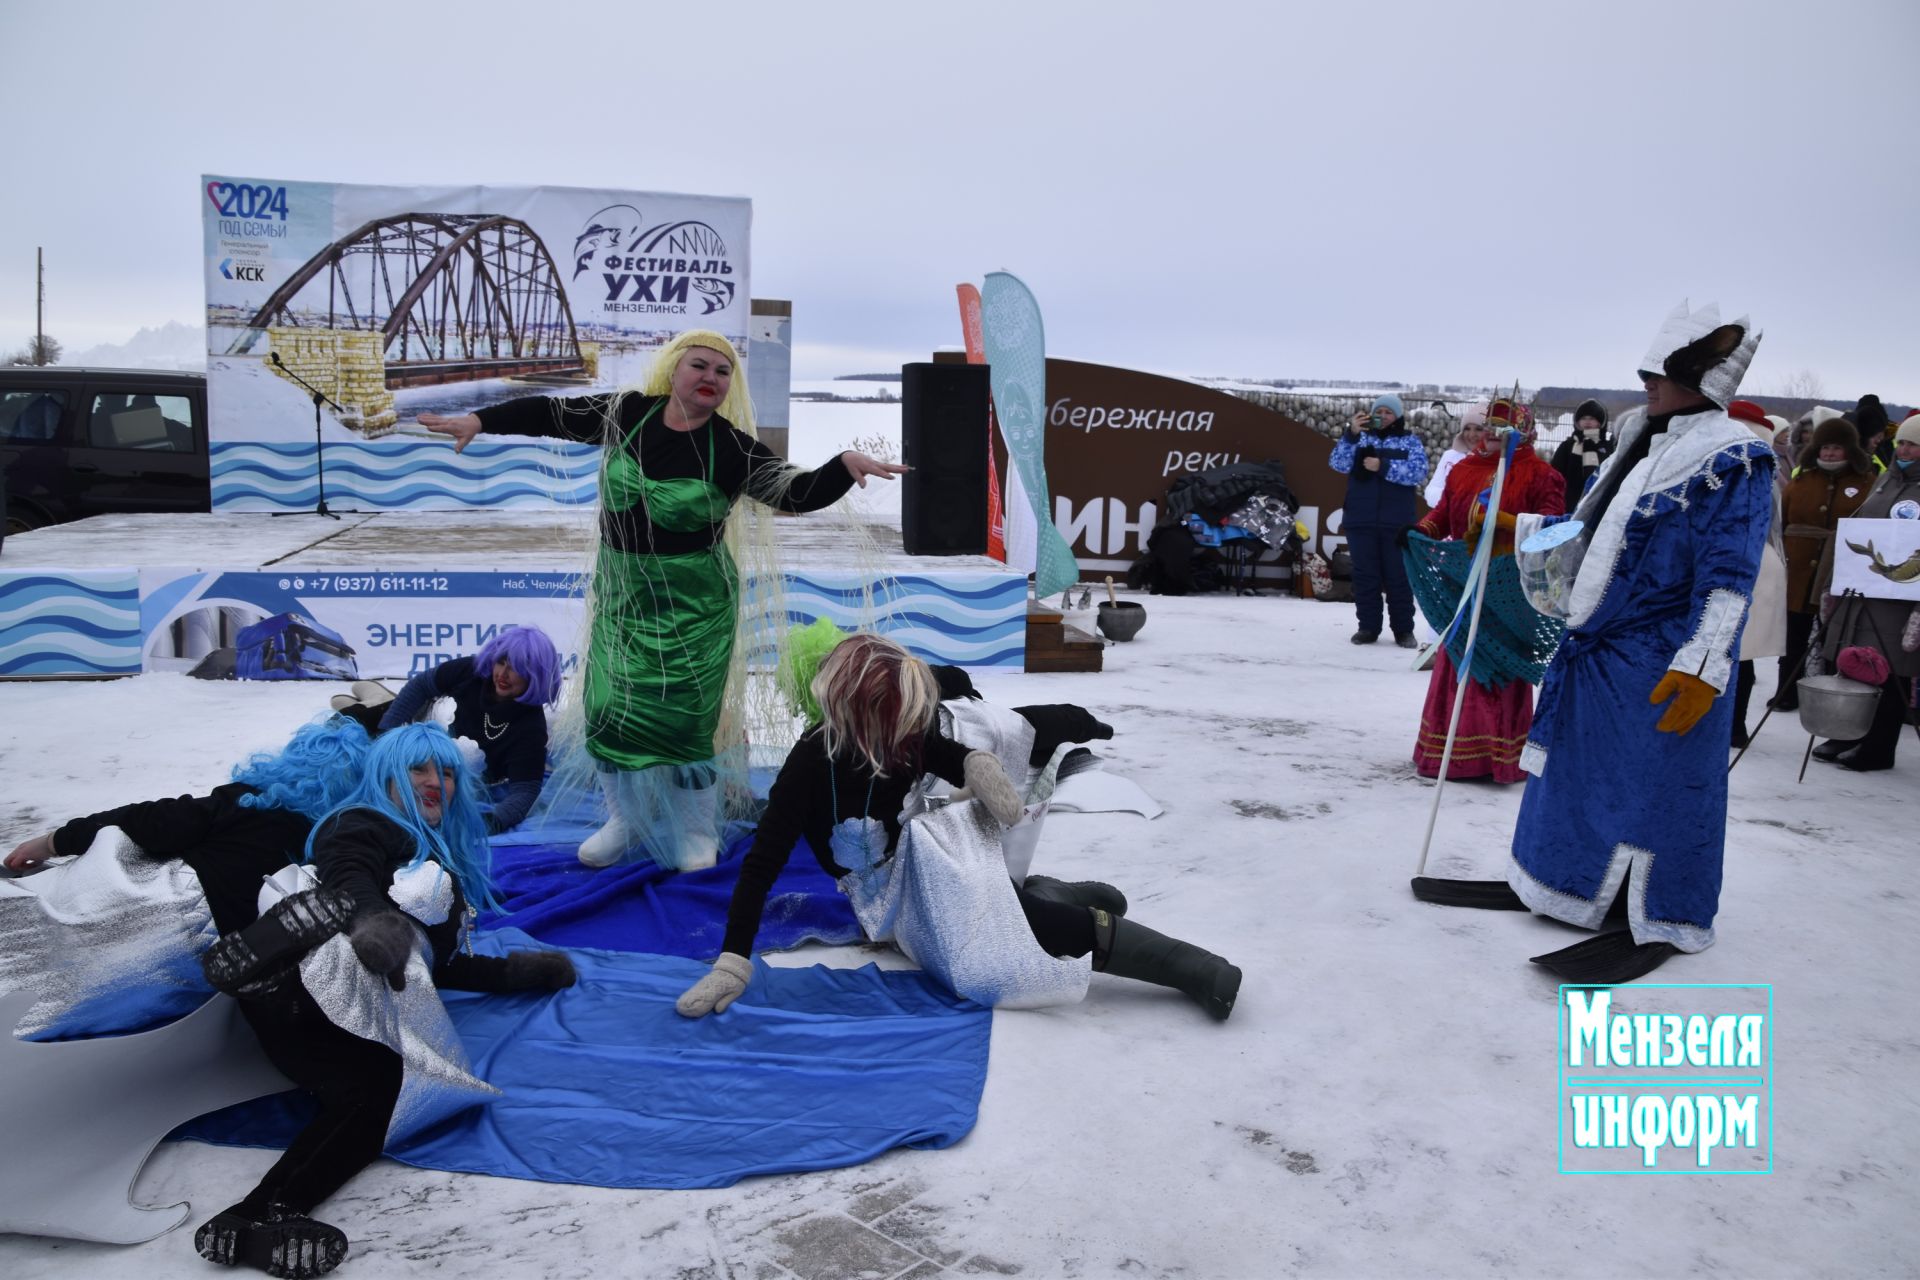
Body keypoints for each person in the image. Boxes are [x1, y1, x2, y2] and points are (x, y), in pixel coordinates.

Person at [418, 331, 905, 871]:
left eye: (722, 373)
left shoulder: (731, 447)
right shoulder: (626, 414)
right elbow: (549, 413)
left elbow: (796, 493)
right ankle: (624, 820)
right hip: (623, 597)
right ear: (673, 370)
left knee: (685, 724)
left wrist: (842, 464)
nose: (710, 379)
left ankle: (695, 830)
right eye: (699, 366)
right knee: (607, 711)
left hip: (693, 606)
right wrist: (481, 422)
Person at [1416, 301, 1772, 984]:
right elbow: (1591, 531)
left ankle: (1657, 913)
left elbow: (1730, 575)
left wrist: (1703, 662)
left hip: (1658, 658)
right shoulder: (1643, 436)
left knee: (1653, 791)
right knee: (1570, 780)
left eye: (1660, 373)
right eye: (1646, 372)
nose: (1647, 384)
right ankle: (1555, 883)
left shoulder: (1735, 456)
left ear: (1702, 376)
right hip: (1596, 654)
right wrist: (1513, 530)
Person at [679, 634, 1241, 1022]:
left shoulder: (906, 738)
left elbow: (951, 753)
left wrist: (980, 767)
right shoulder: (810, 761)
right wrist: (735, 959)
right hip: (882, 899)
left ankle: (1183, 963)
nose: (907, 729)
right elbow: (763, 861)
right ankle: (1039, 893)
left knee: (1001, 944)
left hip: (931, 859)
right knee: (980, 946)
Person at [192, 724, 575, 1279]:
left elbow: (436, 964)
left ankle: (263, 1213)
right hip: (323, 972)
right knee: (333, 915)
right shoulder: (362, 824)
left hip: (318, 1027)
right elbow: (349, 876)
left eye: (446, 771)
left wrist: (521, 973)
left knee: (377, 1096)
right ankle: (270, 961)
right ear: (386, 776)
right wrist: (372, 922)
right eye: (418, 769)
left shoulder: (436, 854)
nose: (435, 782)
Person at [3, 715, 371, 934]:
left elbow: (144, 822)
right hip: (217, 970)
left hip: (136, 916)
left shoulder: (241, 804)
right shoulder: (337, 842)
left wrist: (52, 842)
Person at [1404, 398, 1565, 783]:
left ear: (1522, 432)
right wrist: (1421, 531)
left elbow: (1555, 527)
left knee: (1499, 669)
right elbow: (1443, 512)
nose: (1489, 434)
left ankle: (1496, 756)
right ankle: (1451, 753)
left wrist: (1509, 523)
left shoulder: (1541, 474)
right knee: (1459, 660)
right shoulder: (1464, 469)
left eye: (1500, 427)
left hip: (1509, 588)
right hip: (1464, 580)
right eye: (1485, 426)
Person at [331, 626, 562, 834]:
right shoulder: (471, 671)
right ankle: (373, 702)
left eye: (516, 669)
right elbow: (421, 685)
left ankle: (373, 700)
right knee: (357, 723)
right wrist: (386, 736)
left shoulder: (531, 729)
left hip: (442, 762)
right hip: (422, 723)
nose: (502, 674)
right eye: (501, 662)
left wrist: (489, 822)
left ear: (535, 676)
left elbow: (524, 792)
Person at [1810, 413, 1920, 771]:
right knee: (1853, 663)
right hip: (1864, 589)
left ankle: (1878, 747)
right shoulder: (1886, 479)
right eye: (1902, 442)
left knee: (1888, 670)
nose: (1904, 449)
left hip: (1898, 597)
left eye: (1913, 444)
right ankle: (1849, 733)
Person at [1772, 415, 1875, 710]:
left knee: (1834, 639)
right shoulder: (1801, 480)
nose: (1829, 453)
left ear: (1850, 450)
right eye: (1825, 447)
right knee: (1794, 637)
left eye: (1836, 448)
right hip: (1799, 573)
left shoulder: (1867, 483)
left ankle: (1828, 697)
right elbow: (1785, 520)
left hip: (1841, 573)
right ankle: (1786, 692)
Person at [1329, 393, 1429, 647]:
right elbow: (1337, 463)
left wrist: (1382, 466)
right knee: (1365, 577)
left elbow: (1418, 473)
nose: (1383, 416)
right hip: (1360, 521)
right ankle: (1368, 628)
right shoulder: (1358, 437)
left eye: (1388, 412)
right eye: (1379, 411)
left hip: (1397, 523)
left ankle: (1404, 630)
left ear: (1397, 416)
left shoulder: (1409, 441)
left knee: (1399, 578)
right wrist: (1350, 434)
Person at [1725, 401, 1789, 748]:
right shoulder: (1763, 467)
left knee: (1737, 651)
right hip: (1754, 564)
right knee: (1738, 652)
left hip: (1747, 565)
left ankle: (1732, 725)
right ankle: (1733, 725)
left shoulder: (1749, 469)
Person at [1549, 398, 1613, 509]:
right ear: (1577, 422)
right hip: (1567, 504)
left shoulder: (1607, 448)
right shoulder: (1567, 446)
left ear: (1600, 422)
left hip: (1598, 505)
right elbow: (1554, 477)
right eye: (1583, 418)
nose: (1587, 422)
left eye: (1592, 418)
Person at [1423, 401, 1488, 507]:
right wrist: (1455, 501)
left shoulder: (1495, 460)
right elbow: (1431, 491)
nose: (1472, 435)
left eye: (1478, 429)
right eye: (1467, 429)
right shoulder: (1450, 456)